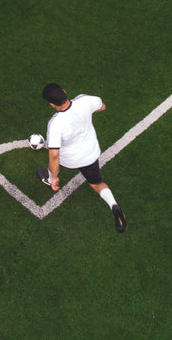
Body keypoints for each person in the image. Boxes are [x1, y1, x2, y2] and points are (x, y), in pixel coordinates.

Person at [37, 83, 126, 232]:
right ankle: (114, 205)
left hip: (70, 160)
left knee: (52, 162)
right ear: (64, 92)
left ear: (51, 104)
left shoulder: (55, 124)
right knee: (96, 183)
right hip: (90, 155)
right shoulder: (84, 100)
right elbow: (102, 107)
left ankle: (49, 178)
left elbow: (54, 155)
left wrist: (54, 177)